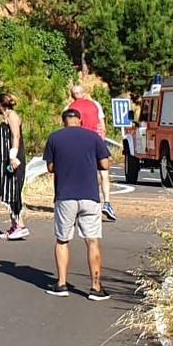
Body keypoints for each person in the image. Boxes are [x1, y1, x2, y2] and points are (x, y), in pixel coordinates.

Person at [42, 106, 113, 299]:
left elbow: (50, 167)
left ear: (63, 121)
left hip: (65, 196)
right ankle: (95, 287)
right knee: (92, 241)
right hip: (90, 195)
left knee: (63, 240)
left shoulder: (55, 138)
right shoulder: (93, 138)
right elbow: (105, 164)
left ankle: (62, 283)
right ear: (80, 121)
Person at [67, 82, 117, 223]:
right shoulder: (95, 104)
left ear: (72, 96)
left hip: (79, 143)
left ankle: (81, 204)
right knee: (104, 172)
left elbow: (69, 129)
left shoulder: (70, 108)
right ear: (83, 93)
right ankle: (107, 203)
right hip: (96, 140)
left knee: (80, 173)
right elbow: (102, 125)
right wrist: (100, 140)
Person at [0, 91, 28, 240]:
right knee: (7, 189)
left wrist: (13, 156)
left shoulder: (12, 116)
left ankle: (20, 225)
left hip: (13, 159)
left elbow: (16, 136)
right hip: (3, 160)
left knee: (13, 190)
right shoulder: (6, 117)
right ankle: (14, 225)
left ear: (1, 104)